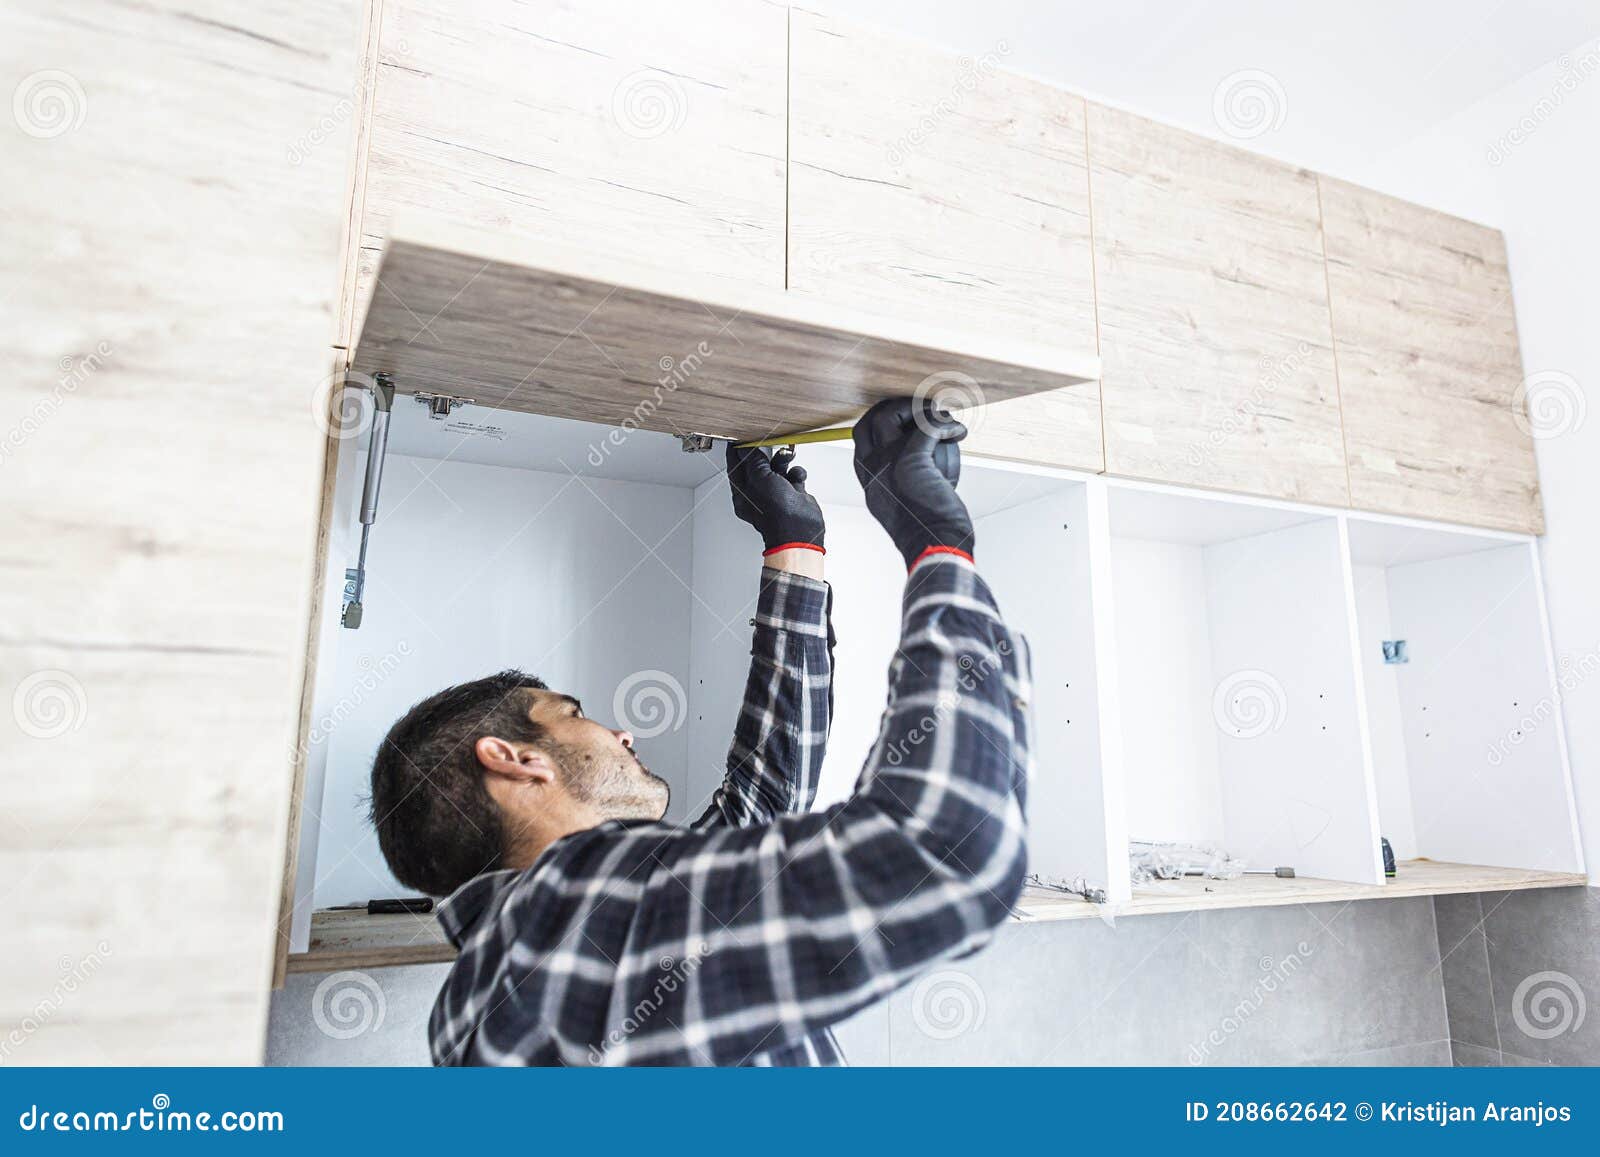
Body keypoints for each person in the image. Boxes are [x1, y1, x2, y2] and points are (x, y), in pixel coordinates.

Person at [367, 397, 1032, 1065]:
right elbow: (942, 850)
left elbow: (763, 802)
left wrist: (794, 543)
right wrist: (937, 543)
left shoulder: (530, 962)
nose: (620, 734)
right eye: (572, 713)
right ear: (514, 759)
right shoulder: (566, 932)